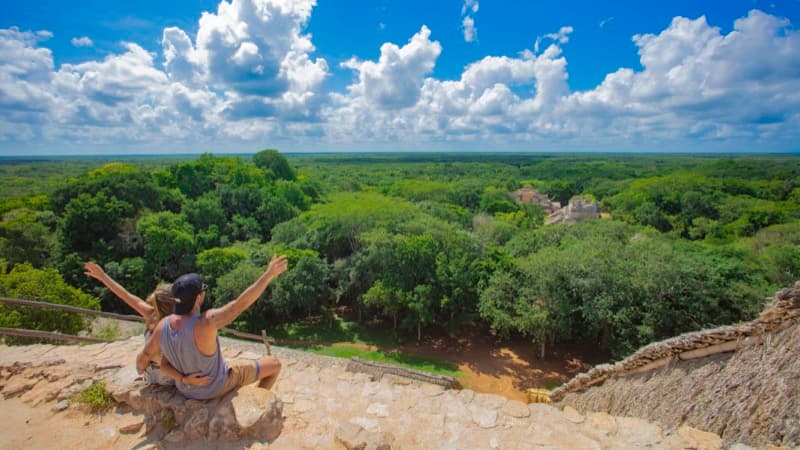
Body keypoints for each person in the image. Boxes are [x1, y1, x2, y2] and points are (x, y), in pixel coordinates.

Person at [136, 255, 288, 400]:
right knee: (274, 364)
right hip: (215, 387)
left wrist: (182, 379)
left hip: (186, 389)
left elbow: (152, 359)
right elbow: (239, 304)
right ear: (198, 298)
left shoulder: (163, 326)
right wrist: (269, 275)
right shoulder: (206, 322)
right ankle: (257, 401)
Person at [84, 262, 210, 388]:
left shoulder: (152, 315)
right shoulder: (181, 324)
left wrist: (103, 277)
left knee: (143, 355)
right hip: (173, 378)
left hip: (155, 374)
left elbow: (126, 296)